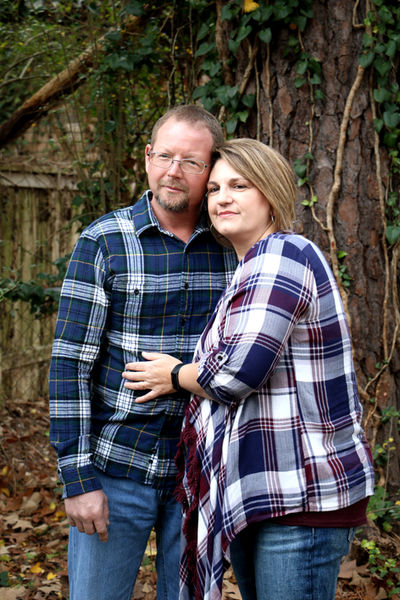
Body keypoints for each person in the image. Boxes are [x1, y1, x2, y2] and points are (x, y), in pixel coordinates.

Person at [122, 138, 375, 600]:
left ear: (271, 193)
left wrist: (175, 375)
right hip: (267, 493)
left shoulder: (282, 256)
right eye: (214, 188)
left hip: (302, 498)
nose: (222, 198)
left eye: (239, 186)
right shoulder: (250, 266)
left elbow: (235, 374)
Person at [48, 105, 237, 600]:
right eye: (165, 156)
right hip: (116, 469)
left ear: (211, 168)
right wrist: (78, 479)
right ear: (148, 157)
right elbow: (70, 366)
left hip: (199, 474)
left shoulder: (233, 246)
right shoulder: (104, 241)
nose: (174, 171)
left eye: (191, 161)